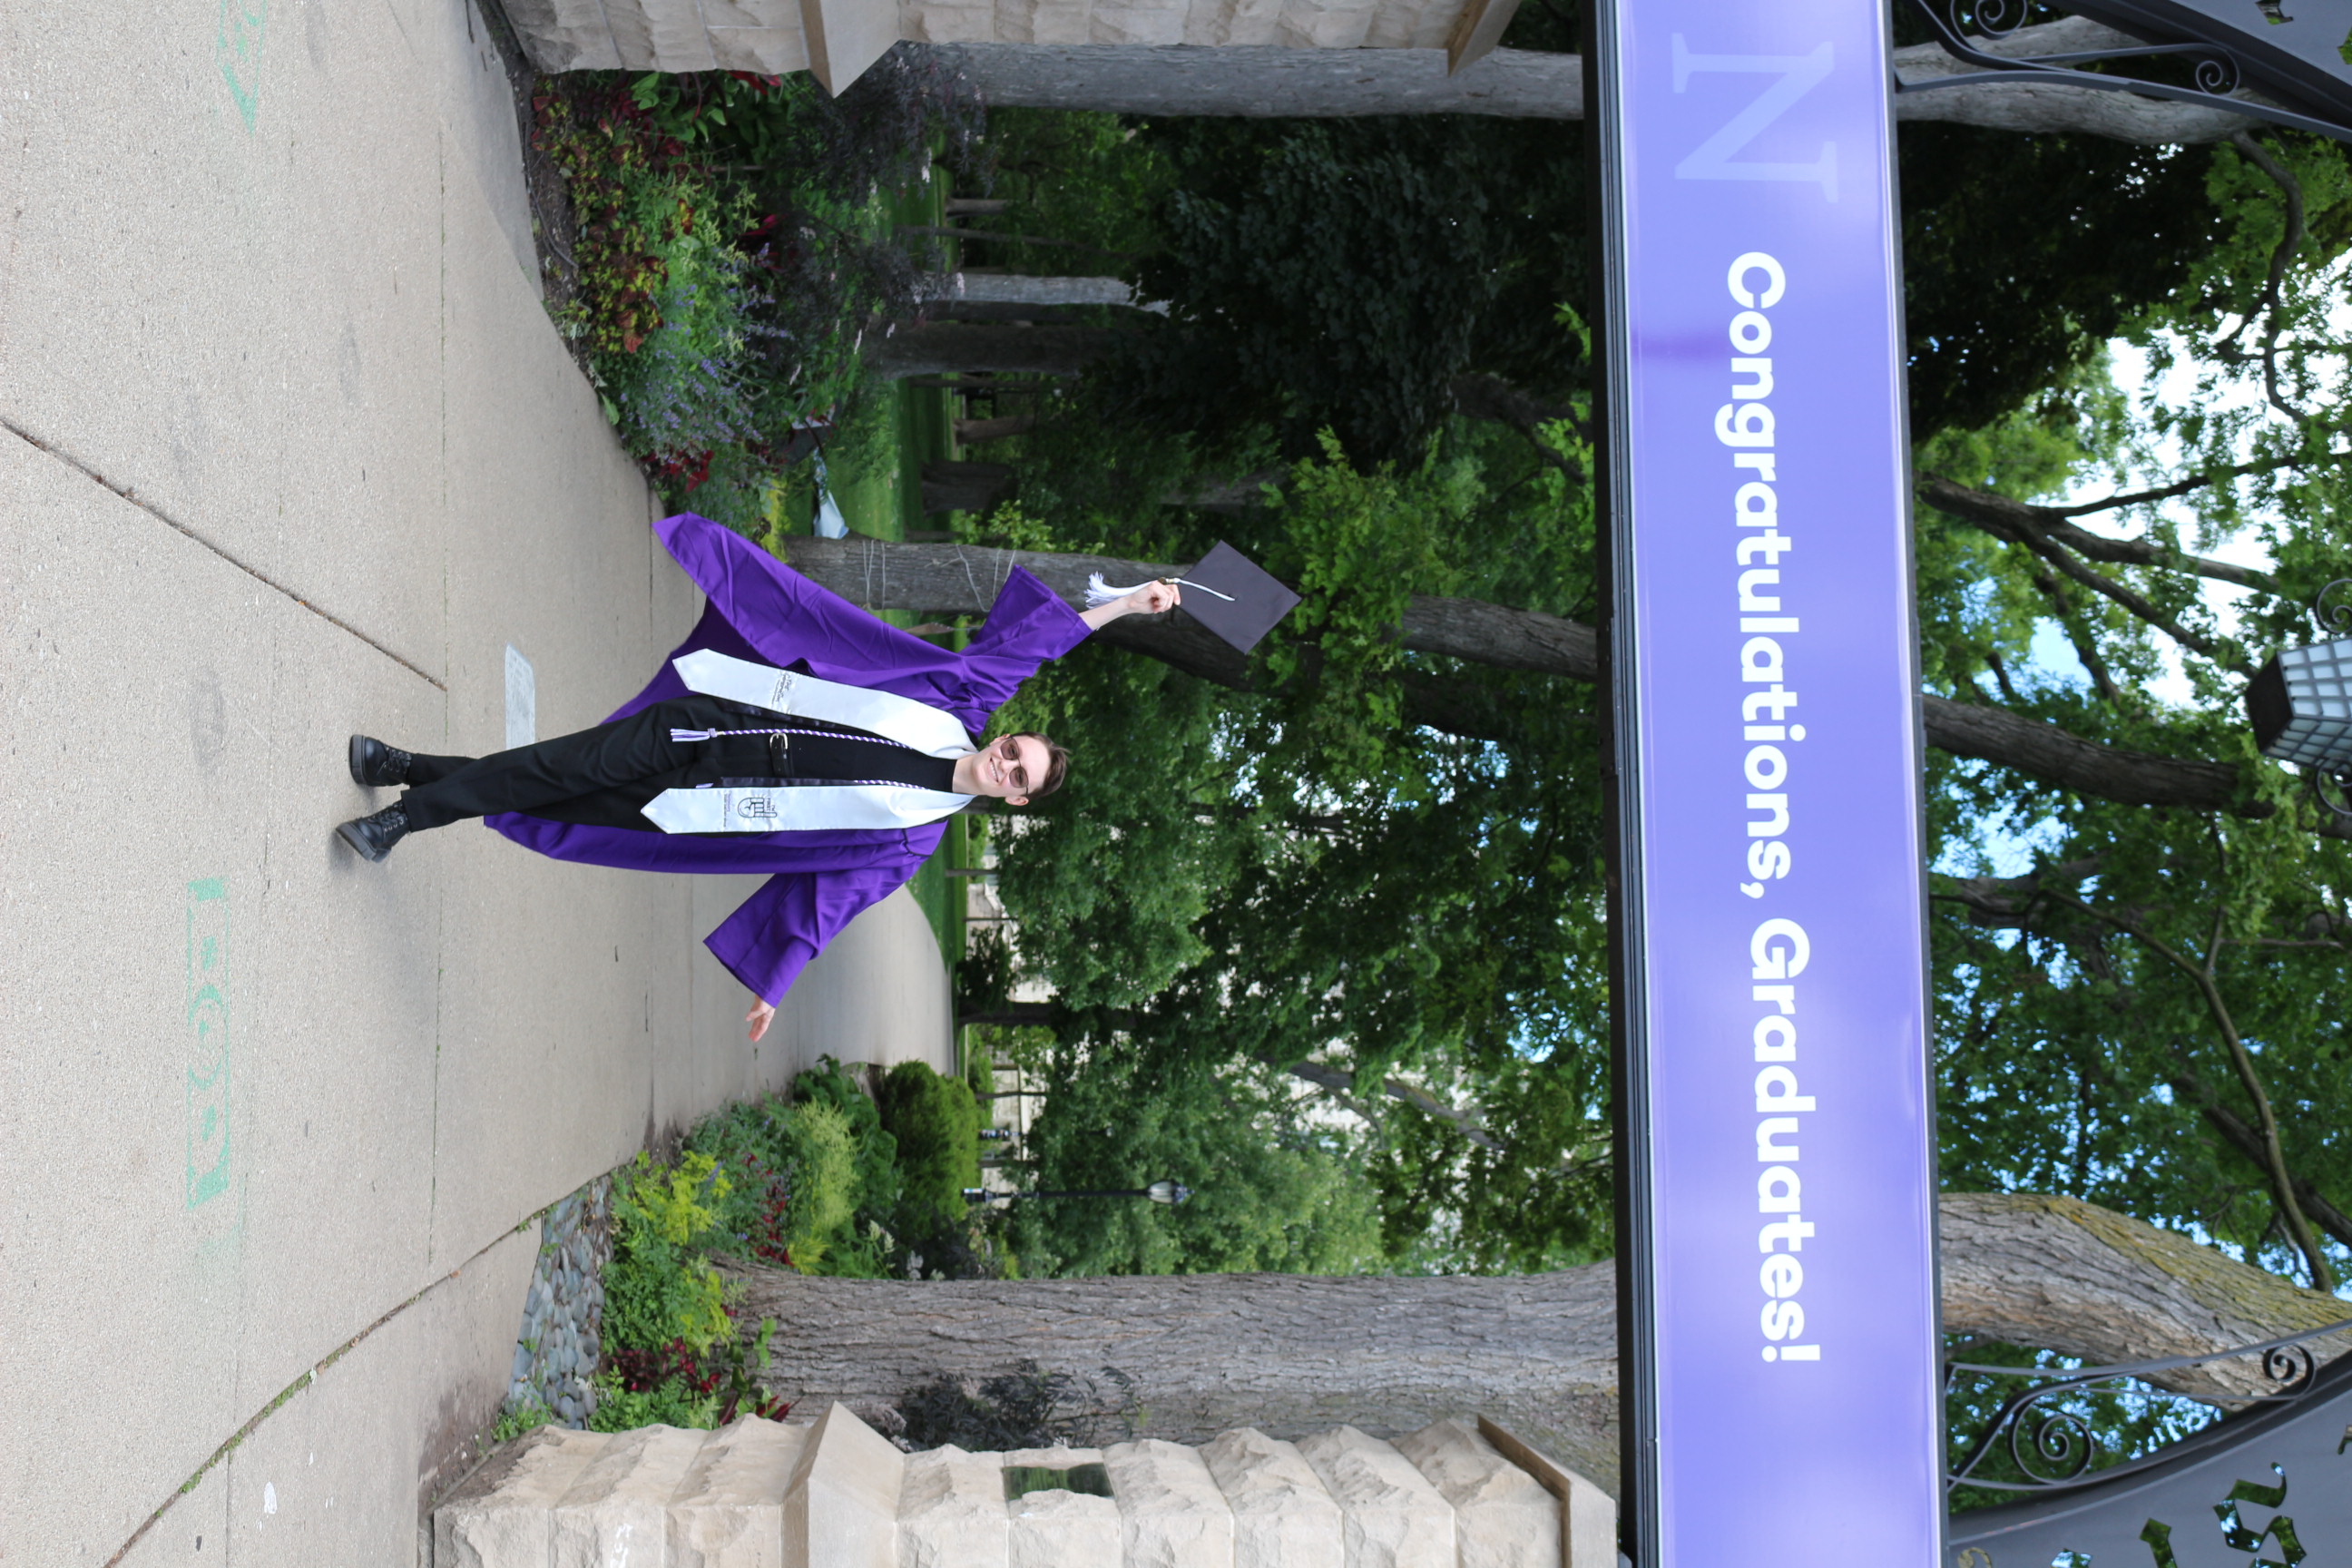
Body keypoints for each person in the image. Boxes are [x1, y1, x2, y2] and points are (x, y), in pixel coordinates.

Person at [333, 514, 1178, 1041]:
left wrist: (775, 982)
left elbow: (826, 906)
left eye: (1016, 771)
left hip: (705, 806)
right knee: (560, 765)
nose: (1005, 758)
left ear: (1016, 796)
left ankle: (407, 769)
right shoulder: (959, 699)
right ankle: (402, 821)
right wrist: (1128, 603)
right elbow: (1033, 645)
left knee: (561, 794)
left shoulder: (912, 842)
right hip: (711, 721)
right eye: (1014, 746)